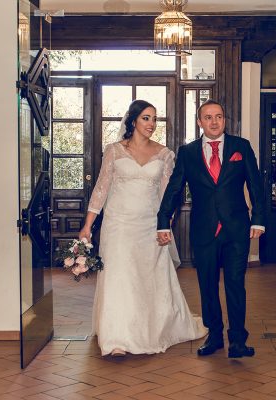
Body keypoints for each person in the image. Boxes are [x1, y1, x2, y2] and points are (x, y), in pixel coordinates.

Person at [79, 99, 207, 357]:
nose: (152, 124)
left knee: (148, 278)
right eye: (146, 118)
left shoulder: (165, 154)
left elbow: (167, 195)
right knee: (119, 278)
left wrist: (165, 224)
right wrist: (87, 226)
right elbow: (102, 189)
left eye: (154, 119)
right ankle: (116, 338)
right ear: (133, 120)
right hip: (118, 224)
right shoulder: (114, 150)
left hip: (149, 225)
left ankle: (153, 328)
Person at [157, 100, 265, 358]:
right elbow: (174, 190)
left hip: (237, 229)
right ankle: (214, 336)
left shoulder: (241, 147)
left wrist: (258, 219)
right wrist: (163, 221)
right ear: (199, 122)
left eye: (219, 116)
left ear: (224, 120)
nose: (214, 122)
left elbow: (256, 185)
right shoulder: (188, 152)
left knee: (235, 284)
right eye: (208, 117)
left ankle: (238, 340)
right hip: (204, 230)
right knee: (207, 286)